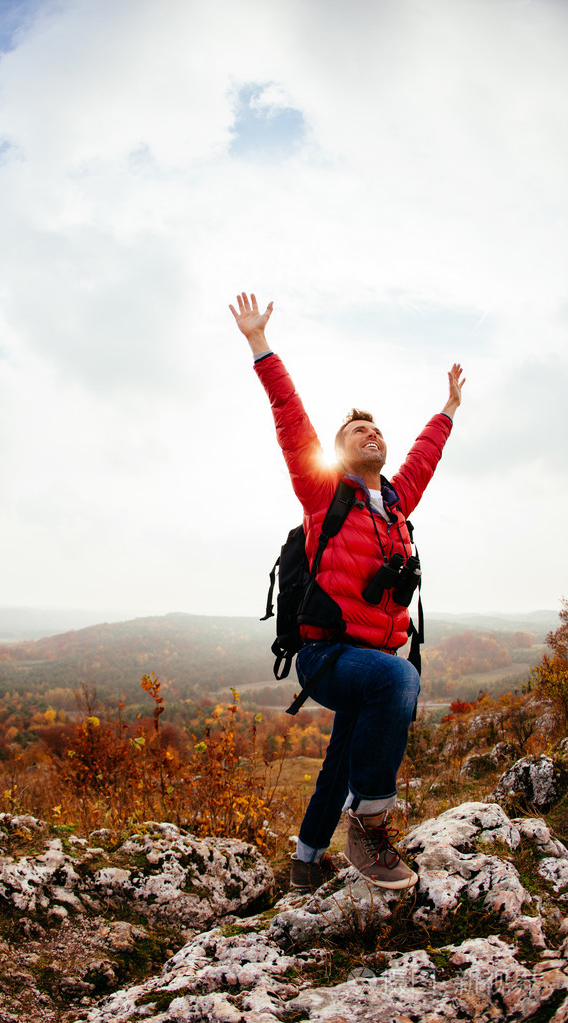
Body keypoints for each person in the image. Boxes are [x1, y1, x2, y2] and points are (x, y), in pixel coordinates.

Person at [229, 291, 465, 892]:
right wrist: (260, 345)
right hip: (328, 655)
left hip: (370, 655)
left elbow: (424, 456)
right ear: (340, 449)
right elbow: (290, 417)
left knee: (338, 761)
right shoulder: (322, 493)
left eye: (376, 429)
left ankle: (305, 863)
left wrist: (448, 409)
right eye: (359, 429)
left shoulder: (396, 504)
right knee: (398, 681)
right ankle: (370, 824)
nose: (371, 434)